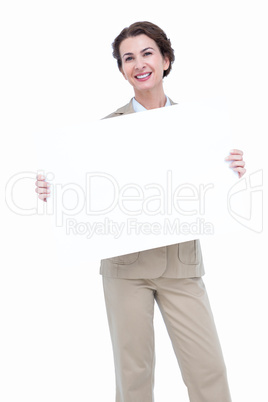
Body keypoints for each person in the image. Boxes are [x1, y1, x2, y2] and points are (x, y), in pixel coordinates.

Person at [35, 21, 246, 402]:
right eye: (128, 58)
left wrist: (229, 172)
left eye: (147, 53)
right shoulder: (101, 133)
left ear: (165, 60)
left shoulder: (202, 127)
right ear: (121, 70)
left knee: (208, 369)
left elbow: (212, 194)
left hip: (180, 265)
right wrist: (54, 188)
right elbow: (82, 197)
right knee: (133, 376)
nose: (139, 63)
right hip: (125, 269)